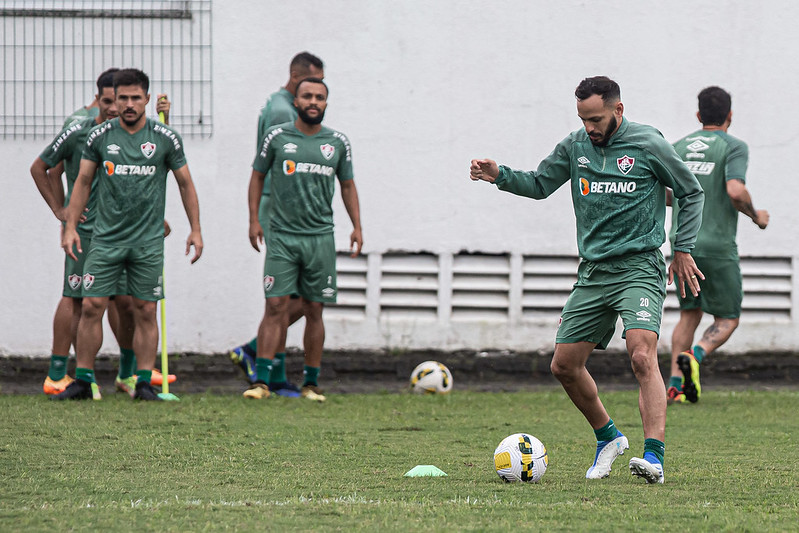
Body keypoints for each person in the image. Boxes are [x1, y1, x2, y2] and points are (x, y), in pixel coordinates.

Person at [469, 76, 705, 484]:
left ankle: (654, 457)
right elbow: (542, 184)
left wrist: (682, 248)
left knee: (641, 354)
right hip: (594, 271)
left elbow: (691, 191)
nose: (590, 128)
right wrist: (500, 175)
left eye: (596, 119)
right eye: (583, 119)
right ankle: (608, 437)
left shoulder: (648, 144)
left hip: (639, 266)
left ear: (618, 110)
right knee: (564, 365)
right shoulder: (576, 146)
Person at [54, 68, 203, 401]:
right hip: (105, 239)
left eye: (137, 97)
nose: (130, 104)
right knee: (92, 306)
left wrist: (195, 229)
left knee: (145, 310)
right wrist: (70, 226)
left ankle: (144, 383)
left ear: (147, 99)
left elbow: (185, 183)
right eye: (124, 97)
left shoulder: (166, 138)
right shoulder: (100, 136)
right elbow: (82, 182)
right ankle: (84, 380)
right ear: (114, 99)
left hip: (147, 241)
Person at [244, 77, 362, 402]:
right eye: (307, 96)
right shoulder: (278, 137)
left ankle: (311, 383)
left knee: (314, 308)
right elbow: (257, 176)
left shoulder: (338, 142)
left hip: (320, 237)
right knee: (276, 305)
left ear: (326, 102)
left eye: (319, 97)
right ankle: (262, 382)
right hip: (281, 236)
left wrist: (357, 227)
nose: (313, 101)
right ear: (296, 101)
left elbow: (348, 186)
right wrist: (254, 219)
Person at [228, 52, 325, 396]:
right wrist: (257, 217)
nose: (315, 95)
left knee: (289, 295)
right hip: (282, 209)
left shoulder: (274, 101)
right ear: (297, 78)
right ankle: (256, 352)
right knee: (290, 295)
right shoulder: (285, 111)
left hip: (279, 209)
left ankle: (275, 372)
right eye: (310, 85)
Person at [666, 86, 769, 405]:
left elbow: (668, 194)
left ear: (698, 115)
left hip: (683, 245)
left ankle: (674, 387)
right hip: (717, 246)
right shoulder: (733, 146)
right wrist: (756, 216)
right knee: (727, 318)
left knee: (689, 314)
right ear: (730, 116)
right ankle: (695, 356)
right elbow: (736, 191)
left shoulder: (678, 146)